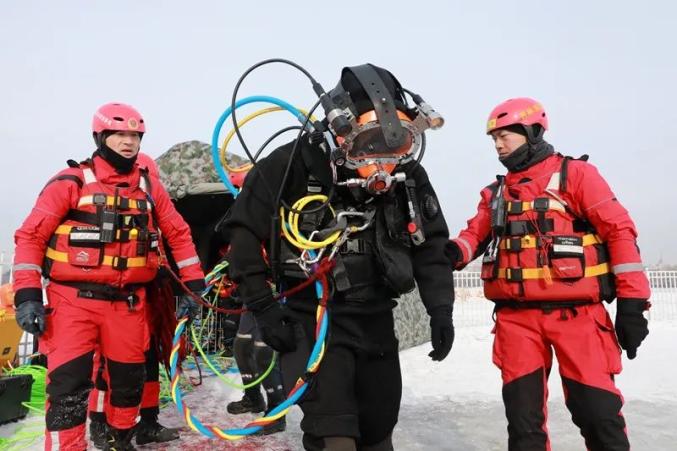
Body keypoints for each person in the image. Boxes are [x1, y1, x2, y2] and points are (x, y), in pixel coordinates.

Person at [226, 64, 454, 450]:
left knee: (379, 432)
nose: (382, 161)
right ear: (341, 131)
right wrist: (263, 308)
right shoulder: (290, 164)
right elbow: (243, 232)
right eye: (370, 143)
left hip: (377, 318)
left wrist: (441, 310)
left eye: (394, 144)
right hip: (311, 320)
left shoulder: (409, 178)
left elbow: (432, 245)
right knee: (334, 434)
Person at [446, 97, 651, 451]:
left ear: (532, 131)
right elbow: (472, 237)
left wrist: (632, 303)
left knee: (598, 415)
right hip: (516, 322)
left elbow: (620, 232)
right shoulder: (496, 194)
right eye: (493, 138)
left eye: (504, 136)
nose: (497, 144)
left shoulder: (577, 176)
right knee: (523, 426)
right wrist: (446, 251)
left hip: (579, 318)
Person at [13, 103, 205, 450]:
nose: (129, 142)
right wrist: (27, 296)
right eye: (120, 134)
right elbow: (30, 237)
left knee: (129, 384)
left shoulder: (149, 188)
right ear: (100, 137)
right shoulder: (70, 182)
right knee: (68, 390)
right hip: (72, 302)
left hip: (129, 305)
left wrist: (194, 288)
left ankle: (120, 441)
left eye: (135, 135)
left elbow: (178, 234)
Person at [86, 152, 181, 448]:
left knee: (149, 361)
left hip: (149, 302)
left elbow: (170, 244)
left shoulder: (155, 206)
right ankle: (100, 424)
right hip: (114, 302)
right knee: (106, 366)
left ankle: (148, 422)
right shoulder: (103, 205)